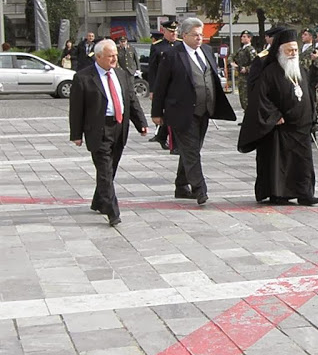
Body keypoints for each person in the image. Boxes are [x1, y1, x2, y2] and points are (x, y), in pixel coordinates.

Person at [151, 18, 236, 204]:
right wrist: (156, 113)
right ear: (184, 35)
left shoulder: (206, 51)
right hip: (181, 112)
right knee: (191, 151)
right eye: (195, 35)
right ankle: (200, 189)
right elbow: (160, 86)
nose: (199, 38)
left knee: (192, 149)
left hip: (203, 111)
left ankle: (181, 185)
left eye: (201, 35)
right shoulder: (172, 55)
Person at [69, 39, 148, 226]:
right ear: (98, 57)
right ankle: (113, 211)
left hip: (119, 127)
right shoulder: (83, 77)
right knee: (104, 171)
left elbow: (131, 100)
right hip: (99, 129)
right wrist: (76, 134)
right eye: (110, 56)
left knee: (110, 170)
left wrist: (141, 123)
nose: (114, 59)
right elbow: (76, 109)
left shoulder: (121, 74)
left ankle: (99, 201)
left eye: (115, 55)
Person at [238, 30, 318, 206]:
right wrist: (274, 115)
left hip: (301, 126)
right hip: (281, 127)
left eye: (295, 50)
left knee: (303, 162)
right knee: (280, 162)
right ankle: (279, 193)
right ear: (279, 51)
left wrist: (312, 114)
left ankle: (305, 193)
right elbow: (260, 97)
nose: (293, 54)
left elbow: (307, 93)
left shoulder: (300, 70)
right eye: (289, 50)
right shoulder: (270, 71)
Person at [148, 21, 181, 151]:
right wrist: (152, 89)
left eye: (175, 32)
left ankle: (163, 136)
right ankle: (166, 137)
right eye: (171, 32)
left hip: (177, 86)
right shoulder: (157, 47)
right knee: (167, 114)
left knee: (173, 114)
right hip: (163, 87)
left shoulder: (180, 44)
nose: (174, 34)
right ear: (165, 32)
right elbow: (153, 70)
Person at [229, 30, 257, 111]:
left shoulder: (250, 49)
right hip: (241, 77)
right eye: (242, 36)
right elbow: (231, 56)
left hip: (247, 77)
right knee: (242, 97)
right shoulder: (241, 49)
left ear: (249, 38)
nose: (242, 38)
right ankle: (246, 116)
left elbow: (255, 63)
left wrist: (247, 69)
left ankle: (249, 117)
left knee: (247, 97)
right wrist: (232, 63)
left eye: (244, 36)